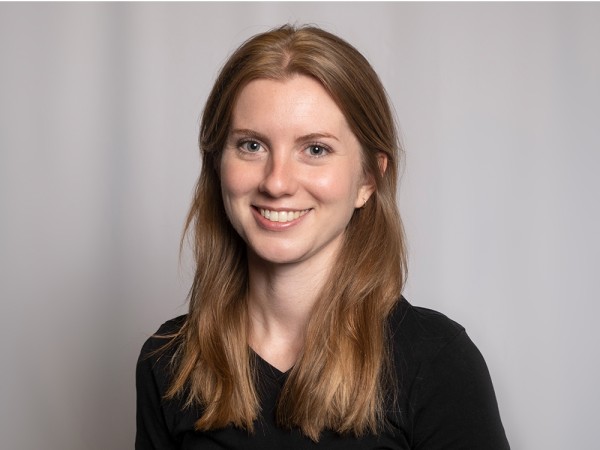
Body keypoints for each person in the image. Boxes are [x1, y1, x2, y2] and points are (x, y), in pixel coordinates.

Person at [136, 24, 510, 449]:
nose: (277, 182)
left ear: (368, 179)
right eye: (252, 146)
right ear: (217, 163)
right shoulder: (168, 361)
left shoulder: (437, 362)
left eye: (315, 149)